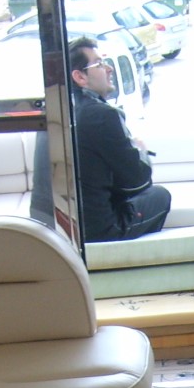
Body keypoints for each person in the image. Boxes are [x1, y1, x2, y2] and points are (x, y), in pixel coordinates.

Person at [68, 36, 170, 242]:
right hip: (98, 231)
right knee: (160, 196)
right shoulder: (101, 115)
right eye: (99, 64)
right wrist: (140, 151)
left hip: (59, 228)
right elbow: (139, 181)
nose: (109, 69)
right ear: (80, 77)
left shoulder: (57, 113)